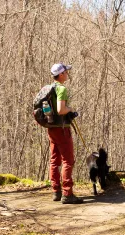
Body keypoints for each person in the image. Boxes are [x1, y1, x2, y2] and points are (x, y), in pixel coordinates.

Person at [47, 62, 83, 204]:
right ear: (61, 74)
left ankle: (56, 191)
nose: (67, 74)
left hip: (52, 128)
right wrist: (70, 109)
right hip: (62, 129)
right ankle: (67, 194)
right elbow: (61, 110)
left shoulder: (50, 88)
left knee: (54, 160)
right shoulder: (61, 89)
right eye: (66, 72)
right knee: (68, 160)